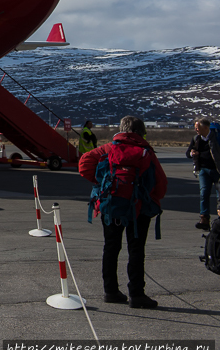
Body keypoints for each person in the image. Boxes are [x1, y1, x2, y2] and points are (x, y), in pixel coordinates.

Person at [79, 115, 167, 309]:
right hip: (139, 208)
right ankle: (136, 294)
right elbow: (161, 184)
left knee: (111, 247)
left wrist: (100, 183)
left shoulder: (108, 149)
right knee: (136, 250)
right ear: (140, 131)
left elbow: (84, 164)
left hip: (111, 205)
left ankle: (110, 291)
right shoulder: (146, 152)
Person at [186, 118, 219, 230]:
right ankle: (204, 218)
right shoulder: (196, 139)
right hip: (204, 170)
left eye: (197, 127)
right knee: (204, 193)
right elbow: (188, 153)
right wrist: (192, 153)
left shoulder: (216, 137)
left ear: (206, 127)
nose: (196, 130)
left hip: (217, 170)